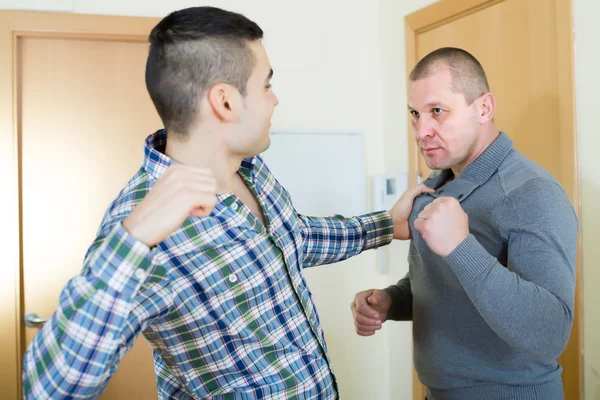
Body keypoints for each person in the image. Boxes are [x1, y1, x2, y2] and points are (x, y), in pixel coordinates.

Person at [22, 6, 429, 399]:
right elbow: (50, 390)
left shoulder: (252, 169)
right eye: (266, 84)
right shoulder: (139, 229)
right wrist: (133, 240)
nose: (275, 100)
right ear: (226, 101)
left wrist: (385, 225)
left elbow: (292, 238)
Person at [350, 47, 578, 400]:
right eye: (415, 113)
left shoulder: (532, 193)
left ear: (484, 108)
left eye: (437, 111)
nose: (421, 130)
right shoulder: (437, 185)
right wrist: (392, 301)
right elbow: (450, 288)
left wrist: (461, 247)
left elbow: (550, 334)